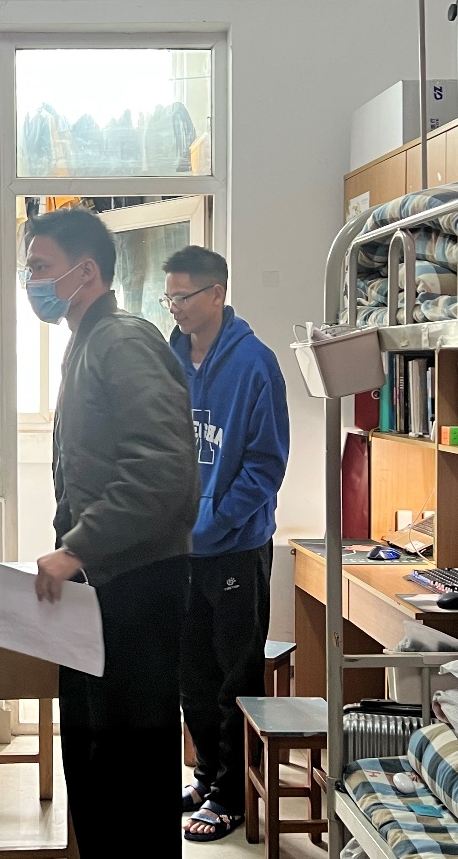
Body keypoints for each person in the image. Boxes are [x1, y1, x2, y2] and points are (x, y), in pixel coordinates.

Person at [23, 208, 199, 859]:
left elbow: (162, 471)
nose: (32, 282)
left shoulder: (122, 341)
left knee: (130, 771)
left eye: (40, 267)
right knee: (93, 761)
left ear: (85, 270)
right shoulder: (87, 340)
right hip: (99, 587)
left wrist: (76, 547)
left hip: (136, 587)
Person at [163, 246, 290, 843]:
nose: (175, 307)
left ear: (216, 294)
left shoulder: (256, 364)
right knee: (190, 674)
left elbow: (266, 465)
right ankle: (208, 776)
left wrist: (212, 521)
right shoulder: (167, 360)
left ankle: (233, 795)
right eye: (168, 296)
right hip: (178, 549)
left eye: (184, 296)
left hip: (237, 547)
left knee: (233, 676)